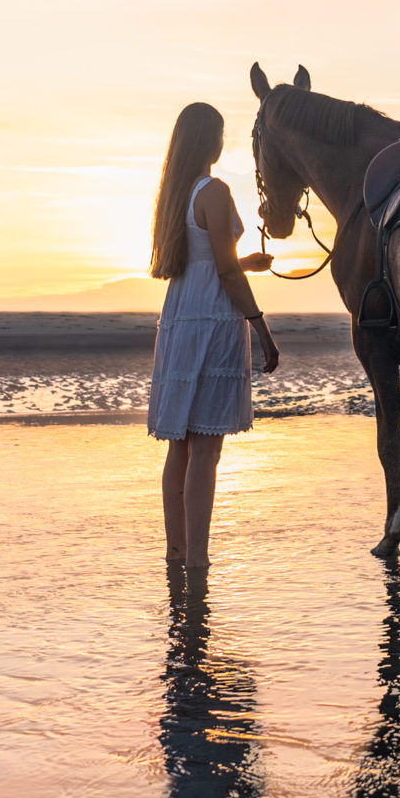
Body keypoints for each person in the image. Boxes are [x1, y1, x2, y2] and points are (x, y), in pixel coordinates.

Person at [148, 102, 281, 573]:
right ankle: (199, 564)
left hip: (182, 319)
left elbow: (208, 262)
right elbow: (223, 270)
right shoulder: (215, 190)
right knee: (206, 447)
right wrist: (261, 326)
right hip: (212, 323)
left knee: (180, 447)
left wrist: (245, 264)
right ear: (212, 140)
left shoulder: (175, 195)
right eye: (222, 133)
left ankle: (177, 554)